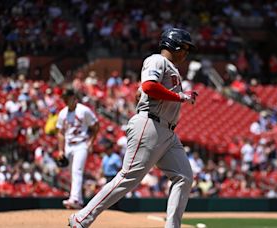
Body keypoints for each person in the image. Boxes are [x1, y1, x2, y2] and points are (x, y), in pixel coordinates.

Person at [68, 28, 198, 228]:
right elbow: (148, 87)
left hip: (167, 132)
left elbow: (142, 92)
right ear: (174, 45)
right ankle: (81, 218)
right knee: (127, 178)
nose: (186, 53)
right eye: (185, 48)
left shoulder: (171, 68)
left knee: (184, 177)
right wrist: (180, 96)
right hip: (150, 124)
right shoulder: (157, 60)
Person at [57, 88, 99, 209]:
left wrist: (90, 142)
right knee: (72, 172)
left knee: (77, 170)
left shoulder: (84, 111)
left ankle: (74, 199)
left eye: (67, 98)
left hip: (81, 144)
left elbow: (96, 126)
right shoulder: (63, 113)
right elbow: (60, 132)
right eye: (64, 98)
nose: (65, 101)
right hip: (68, 145)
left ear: (73, 98)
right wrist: (60, 150)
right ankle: (78, 200)